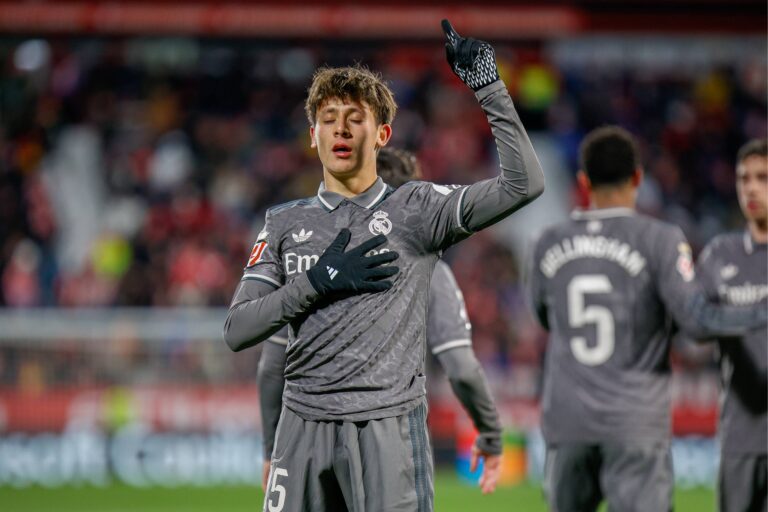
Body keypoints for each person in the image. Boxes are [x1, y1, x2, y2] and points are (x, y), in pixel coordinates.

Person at [223, 19, 544, 512]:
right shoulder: (284, 222)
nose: (341, 129)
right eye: (328, 118)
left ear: (382, 134)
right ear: (313, 136)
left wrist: (489, 88)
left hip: (388, 428)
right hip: (300, 428)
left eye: (355, 118)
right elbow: (238, 329)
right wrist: (314, 282)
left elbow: (524, 186)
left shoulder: (417, 209)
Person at [525, 126, 766, 512]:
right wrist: (757, 312)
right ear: (638, 177)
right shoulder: (659, 238)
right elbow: (696, 322)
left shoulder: (547, 241)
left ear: (583, 181)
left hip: (567, 419)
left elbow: (542, 315)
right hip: (633, 421)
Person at [257, 147, 503, 497]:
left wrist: (272, 450)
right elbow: (460, 367)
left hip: (309, 439)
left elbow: (271, 365)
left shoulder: (313, 262)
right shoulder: (431, 272)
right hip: (391, 433)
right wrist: (490, 433)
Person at [696, 139, 767, 512]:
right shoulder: (720, 254)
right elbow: (695, 324)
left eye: (762, 178)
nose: (751, 188)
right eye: (744, 179)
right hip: (739, 436)